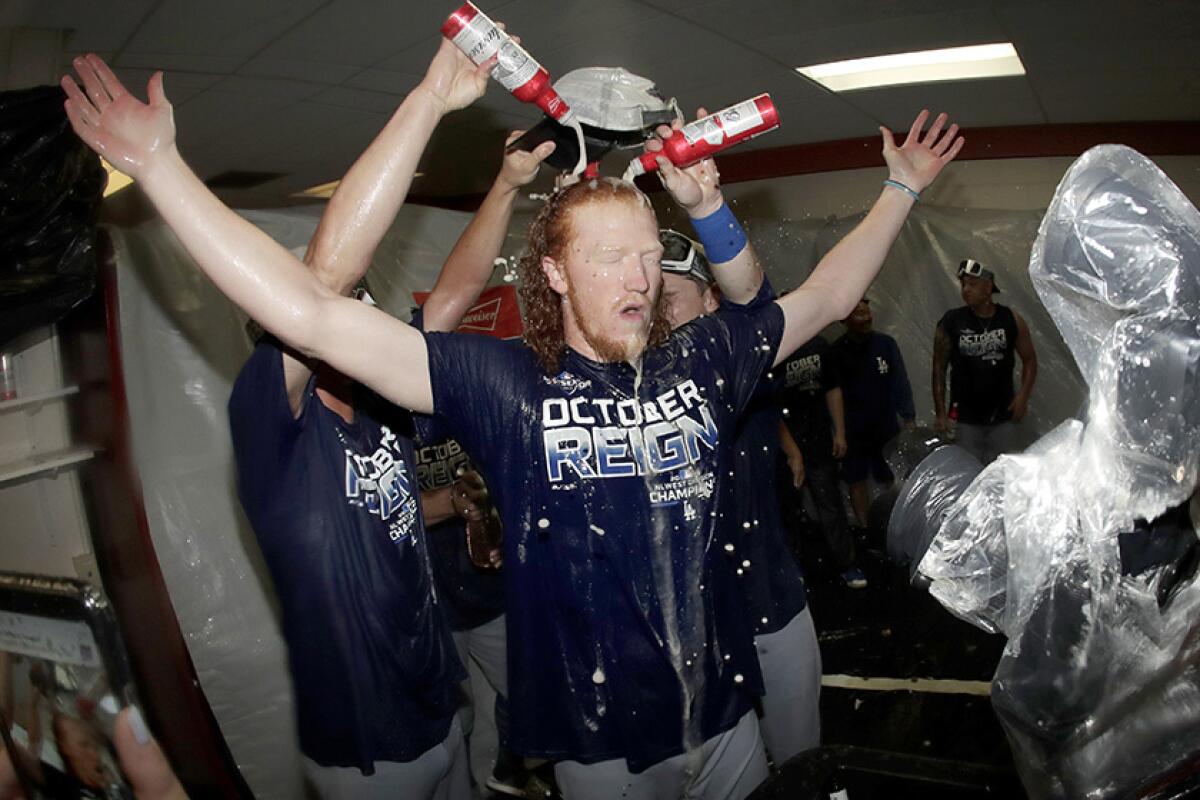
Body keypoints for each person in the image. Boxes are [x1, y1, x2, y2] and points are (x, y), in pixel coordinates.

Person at [60, 48, 961, 798]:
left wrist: (902, 189)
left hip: (724, 718)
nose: (638, 278)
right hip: (598, 741)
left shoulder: (703, 358)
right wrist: (162, 169)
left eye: (646, 257)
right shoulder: (506, 386)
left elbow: (832, 294)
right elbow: (312, 310)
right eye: (610, 258)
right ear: (557, 276)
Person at [655, 226, 821, 765]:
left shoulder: (735, 355)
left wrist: (708, 209)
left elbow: (755, 299)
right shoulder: (632, 389)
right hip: (690, 641)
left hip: (770, 607)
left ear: (710, 300)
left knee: (799, 764)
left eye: (669, 299)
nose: (656, 314)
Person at [775, 332, 865, 589]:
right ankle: (793, 574)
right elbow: (770, 409)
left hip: (818, 440)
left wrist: (840, 432)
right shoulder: (770, 349)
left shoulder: (817, 344)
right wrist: (792, 452)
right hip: (785, 444)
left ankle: (847, 564)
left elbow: (832, 389)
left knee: (830, 504)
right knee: (788, 511)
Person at [932, 258, 1038, 465]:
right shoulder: (951, 321)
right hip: (965, 419)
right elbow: (938, 368)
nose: (966, 290)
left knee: (1002, 475)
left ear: (988, 287)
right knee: (969, 476)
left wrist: (1023, 397)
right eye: (963, 284)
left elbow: (1030, 360)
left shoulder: (1011, 319)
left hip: (1003, 416)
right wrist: (941, 414)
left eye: (972, 284)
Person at [832, 298, 915, 531]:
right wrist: (837, 431)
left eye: (867, 313)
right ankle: (866, 527)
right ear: (846, 319)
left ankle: (894, 524)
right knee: (856, 479)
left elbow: (900, 381)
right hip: (854, 428)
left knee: (892, 476)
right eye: (859, 314)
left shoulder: (885, 344)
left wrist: (908, 416)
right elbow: (833, 393)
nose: (866, 318)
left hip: (885, 424)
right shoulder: (837, 352)